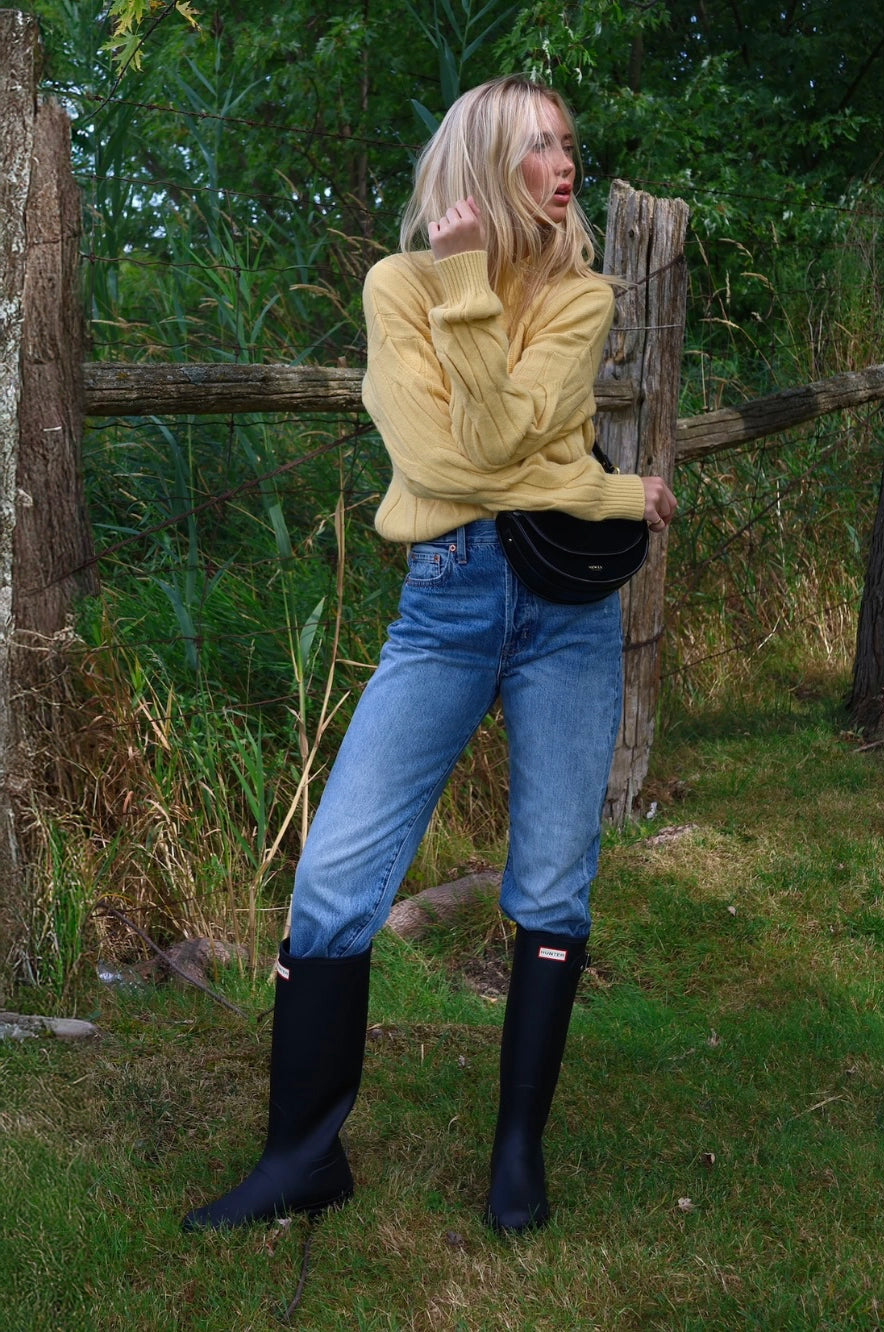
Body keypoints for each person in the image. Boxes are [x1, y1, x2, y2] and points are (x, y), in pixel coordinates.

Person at [182, 74, 677, 1236]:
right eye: (538, 147)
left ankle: (517, 1156)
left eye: (568, 145)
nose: (564, 165)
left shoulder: (582, 295)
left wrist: (552, 467)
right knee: (334, 878)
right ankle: (302, 1159)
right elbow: (449, 465)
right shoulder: (399, 284)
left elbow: (496, 438)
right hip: (448, 601)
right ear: (482, 163)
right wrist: (607, 486)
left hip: (566, 613)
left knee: (552, 877)